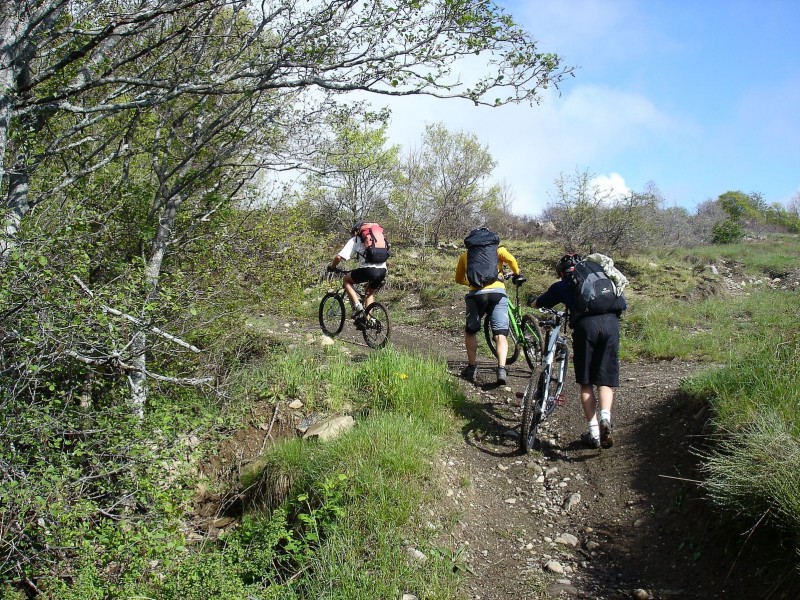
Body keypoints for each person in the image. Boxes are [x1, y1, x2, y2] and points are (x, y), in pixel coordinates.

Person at [528, 253, 626, 449]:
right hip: (611, 324)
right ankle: (605, 417)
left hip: (586, 327)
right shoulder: (602, 276)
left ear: (562, 272)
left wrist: (532, 302)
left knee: (586, 382)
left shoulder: (564, 284)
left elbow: (541, 303)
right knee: (605, 379)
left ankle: (594, 433)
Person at [455, 228, 522, 385]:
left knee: (470, 332)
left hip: (475, 295)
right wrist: (517, 273)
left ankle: (471, 368)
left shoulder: (466, 255)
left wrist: (470, 283)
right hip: (497, 293)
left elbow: (458, 279)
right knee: (500, 334)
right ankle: (501, 369)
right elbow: (512, 261)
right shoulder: (499, 250)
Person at [327, 222, 388, 328]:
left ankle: (357, 306)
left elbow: (338, 257)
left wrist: (332, 267)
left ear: (356, 231)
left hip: (368, 270)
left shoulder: (355, 240)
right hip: (382, 270)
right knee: (369, 292)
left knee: (346, 280)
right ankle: (368, 320)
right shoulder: (376, 239)